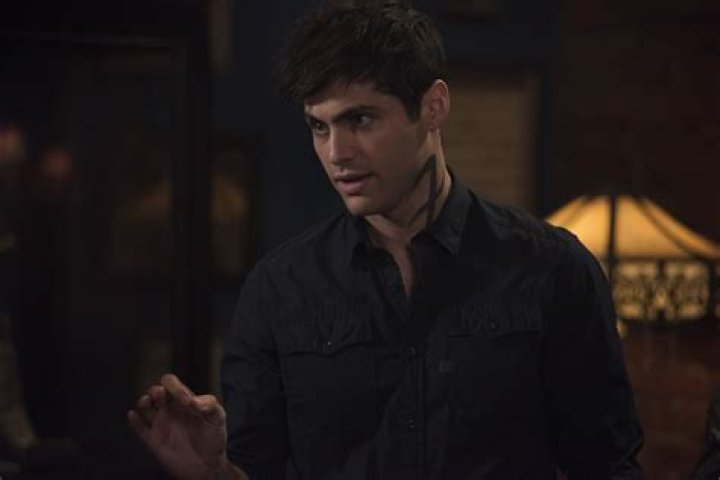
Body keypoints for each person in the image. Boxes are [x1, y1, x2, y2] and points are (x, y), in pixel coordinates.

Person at [128, 1, 644, 478]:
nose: (337, 153)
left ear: (434, 107)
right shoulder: (279, 290)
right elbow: (257, 467)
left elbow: (607, 465)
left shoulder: (553, 269)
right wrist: (215, 473)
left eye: (360, 119)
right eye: (320, 127)